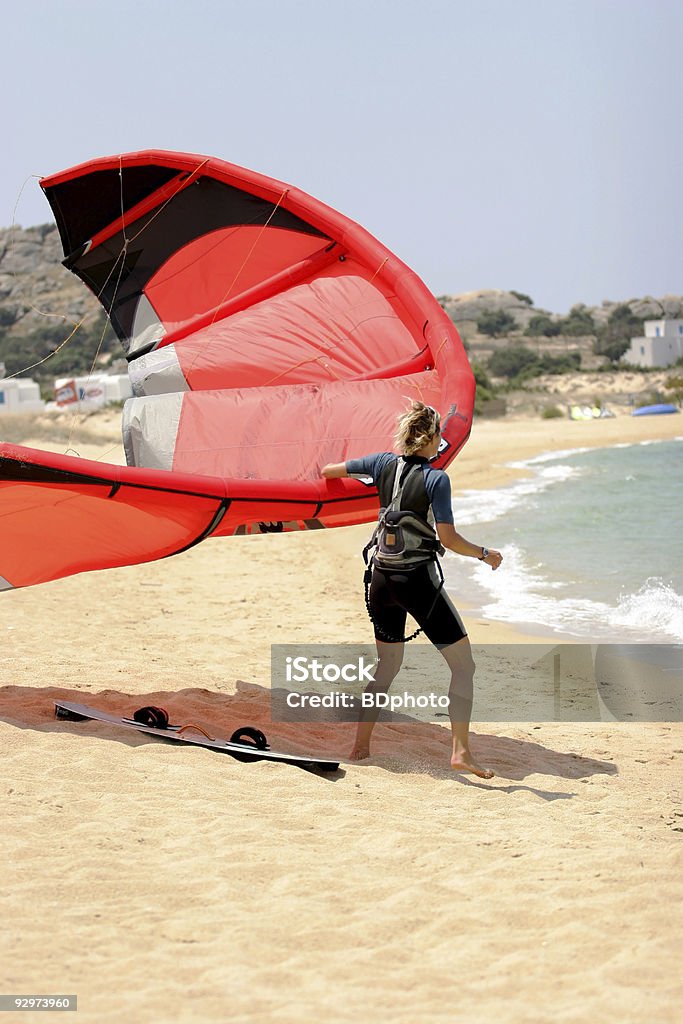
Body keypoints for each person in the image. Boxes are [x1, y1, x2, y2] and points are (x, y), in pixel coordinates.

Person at [321, 400, 503, 778]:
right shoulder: (437, 479)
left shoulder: (381, 463)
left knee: (386, 666)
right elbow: (449, 539)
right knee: (463, 665)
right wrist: (484, 554)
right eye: (439, 436)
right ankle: (461, 753)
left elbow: (329, 471)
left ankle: (360, 746)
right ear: (432, 438)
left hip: (381, 580)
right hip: (416, 581)